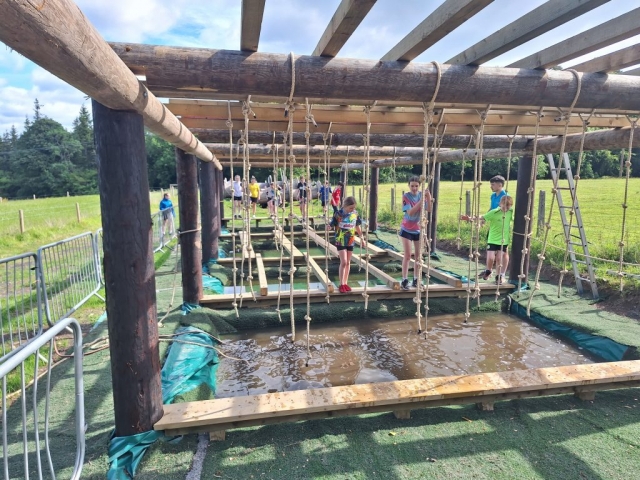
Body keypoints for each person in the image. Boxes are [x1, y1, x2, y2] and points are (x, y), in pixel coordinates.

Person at [461, 194, 513, 285]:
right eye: (504, 206)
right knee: (491, 258)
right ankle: (488, 270)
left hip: (503, 240)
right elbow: (482, 217)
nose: (506, 209)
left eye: (508, 207)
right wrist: (469, 218)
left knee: (499, 258)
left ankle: (499, 277)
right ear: (500, 204)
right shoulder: (494, 212)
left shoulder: (510, 212)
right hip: (492, 239)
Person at [399, 176, 432, 290]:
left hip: (418, 229)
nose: (414, 188)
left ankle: (416, 279)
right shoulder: (406, 196)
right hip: (406, 229)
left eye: (416, 186)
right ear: (409, 186)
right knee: (408, 255)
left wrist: (428, 197)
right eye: (412, 186)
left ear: (419, 186)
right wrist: (422, 200)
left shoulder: (421, 195)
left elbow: (429, 209)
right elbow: (411, 212)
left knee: (418, 256)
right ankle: (404, 280)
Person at [329, 196, 363, 293]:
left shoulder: (355, 214)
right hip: (340, 239)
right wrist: (329, 227)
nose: (352, 209)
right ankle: (341, 283)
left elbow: (357, 226)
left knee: (348, 262)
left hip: (350, 240)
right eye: (350, 208)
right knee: (343, 262)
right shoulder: (338, 214)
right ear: (345, 206)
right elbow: (332, 223)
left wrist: (362, 238)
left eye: (354, 208)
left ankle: (345, 283)